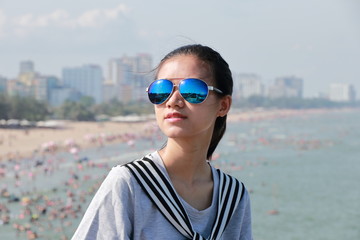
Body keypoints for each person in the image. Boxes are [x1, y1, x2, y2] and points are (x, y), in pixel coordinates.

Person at [72, 44, 252, 240]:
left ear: (223, 105)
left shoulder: (233, 197)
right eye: (161, 90)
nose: (173, 100)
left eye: (192, 90)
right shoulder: (129, 184)